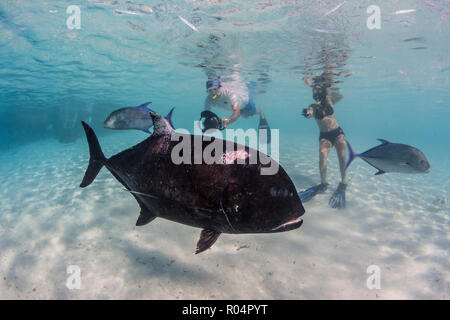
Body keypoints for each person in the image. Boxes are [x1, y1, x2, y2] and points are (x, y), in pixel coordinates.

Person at [299, 70, 347, 209]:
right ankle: (323, 183)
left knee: (342, 157)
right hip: (324, 136)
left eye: (317, 90)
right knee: (322, 157)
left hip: (337, 133)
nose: (315, 94)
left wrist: (328, 89)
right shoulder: (313, 106)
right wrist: (306, 113)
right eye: (314, 91)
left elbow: (340, 97)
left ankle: (343, 182)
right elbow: (309, 113)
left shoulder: (330, 99)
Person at [203, 74, 271, 142]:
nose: (213, 93)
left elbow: (237, 112)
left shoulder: (229, 93)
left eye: (215, 89)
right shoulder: (209, 99)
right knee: (244, 116)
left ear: (219, 87)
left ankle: (261, 112)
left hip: (246, 104)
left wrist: (229, 120)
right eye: (210, 90)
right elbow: (206, 114)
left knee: (247, 114)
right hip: (236, 108)